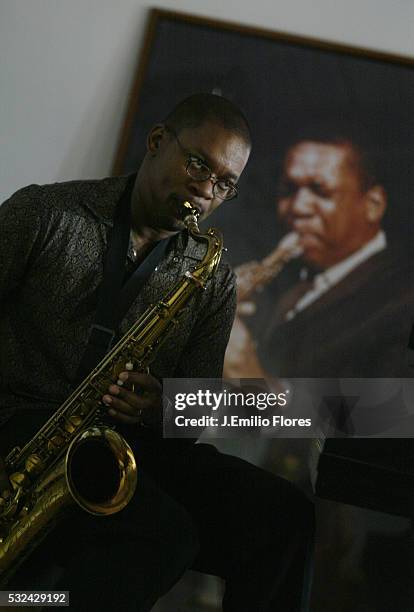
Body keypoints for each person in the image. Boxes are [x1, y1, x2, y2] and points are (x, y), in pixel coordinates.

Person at [0, 94, 314, 612]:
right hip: (23, 430)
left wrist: (162, 405)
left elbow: (195, 409)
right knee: (161, 538)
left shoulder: (210, 276)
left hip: (125, 446)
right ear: (156, 142)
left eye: (225, 183)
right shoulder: (44, 212)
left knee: (283, 515)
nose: (206, 189)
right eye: (198, 164)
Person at [225, 121, 414, 380]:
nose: (298, 208)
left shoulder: (403, 303)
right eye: (288, 190)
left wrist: (252, 381)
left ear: (373, 204)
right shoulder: (290, 279)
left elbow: (383, 419)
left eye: (320, 191)